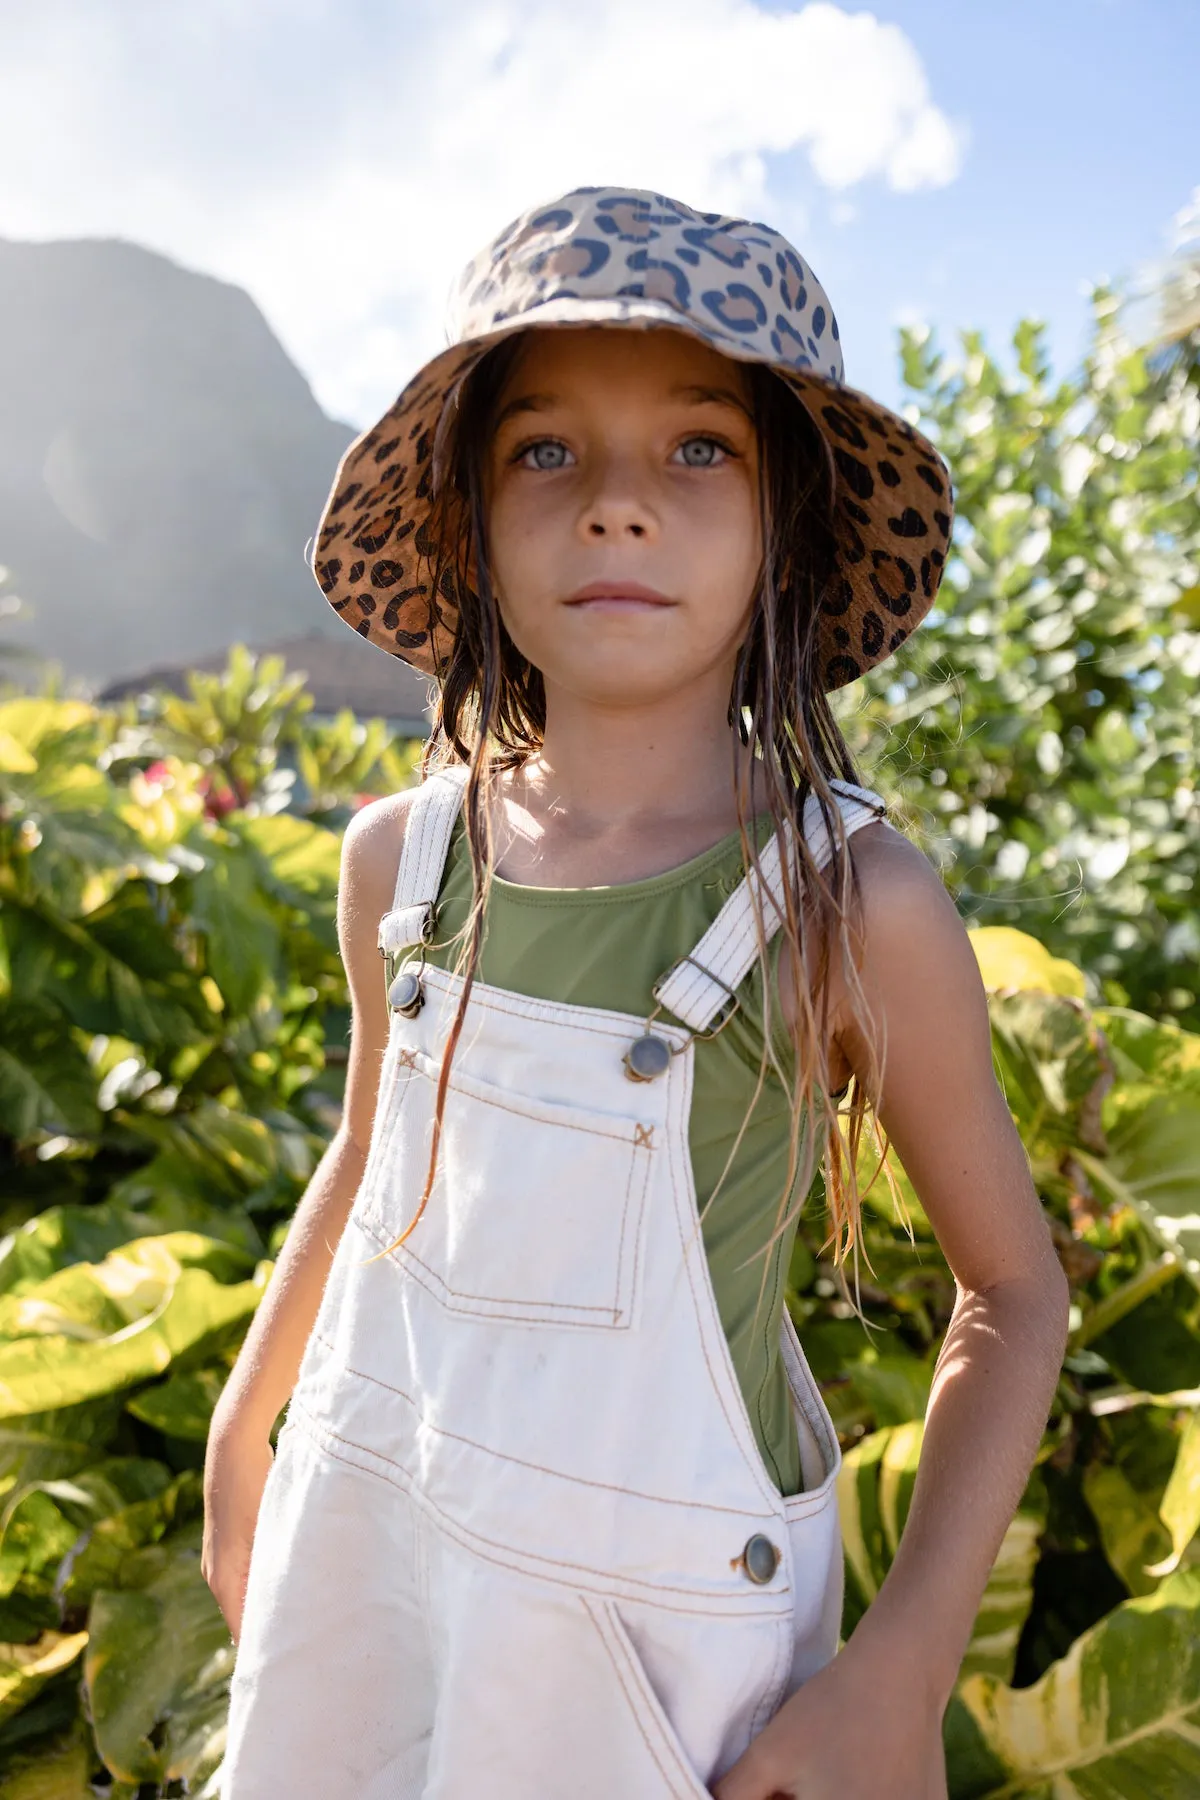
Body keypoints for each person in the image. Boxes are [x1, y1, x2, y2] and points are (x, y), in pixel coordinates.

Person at [203, 187, 1069, 1800]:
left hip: (647, 1655)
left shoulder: (846, 902)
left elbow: (1012, 1295)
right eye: (546, 452)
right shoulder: (401, 855)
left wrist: (898, 1673)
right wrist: (246, 1432)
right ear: (467, 515)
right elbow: (369, 1155)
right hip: (365, 1540)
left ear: (786, 527)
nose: (615, 507)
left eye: (696, 451)